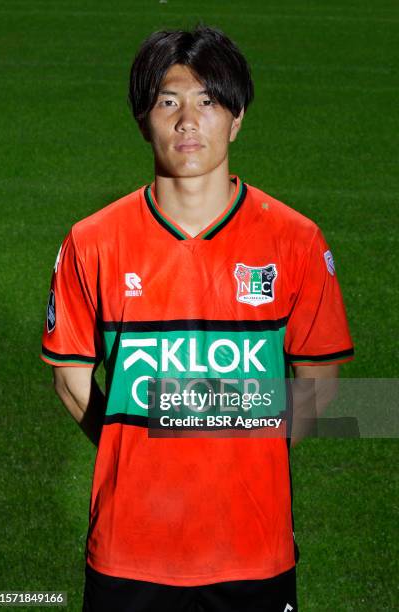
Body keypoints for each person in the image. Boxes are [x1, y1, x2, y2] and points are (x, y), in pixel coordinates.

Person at [40, 24, 354, 612]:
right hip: (128, 552)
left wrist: (232, 446)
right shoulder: (92, 242)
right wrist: (132, 439)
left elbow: (321, 385)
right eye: (169, 101)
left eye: (209, 101)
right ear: (143, 119)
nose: (189, 121)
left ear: (236, 119)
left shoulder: (296, 241)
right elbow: (70, 381)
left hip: (252, 551)